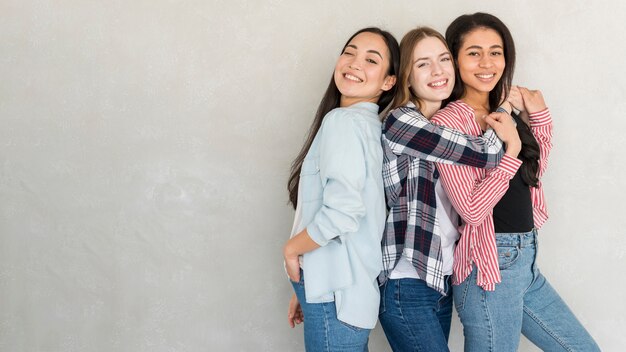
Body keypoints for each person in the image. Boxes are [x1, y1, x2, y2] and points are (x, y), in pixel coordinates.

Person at [431, 12, 600, 351]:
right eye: (474, 52)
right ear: (455, 59)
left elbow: (532, 177)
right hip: (489, 267)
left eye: (496, 52)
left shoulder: (504, 109)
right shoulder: (448, 122)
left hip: (526, 259)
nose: (487, 62)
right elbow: (471, 209)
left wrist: (539, 118)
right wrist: (512, 148)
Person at [378, 26, 520, 352]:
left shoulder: (438, 123)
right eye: (423, 63)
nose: (439, 70)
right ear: (406, 78)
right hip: (407, 283)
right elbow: (485, 153)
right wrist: (504, 110)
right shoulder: (401, 123)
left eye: (443, 59)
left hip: (440, 279)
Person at [282, 27, 399, 351]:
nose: (354, 63)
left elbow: (343, 213)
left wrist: (292, 251)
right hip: (346, 292)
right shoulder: (373, 128)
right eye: (350, 51)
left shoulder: (343, 122)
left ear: (389, 81)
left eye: (371, 60)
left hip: (335, 296)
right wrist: (305, 285)